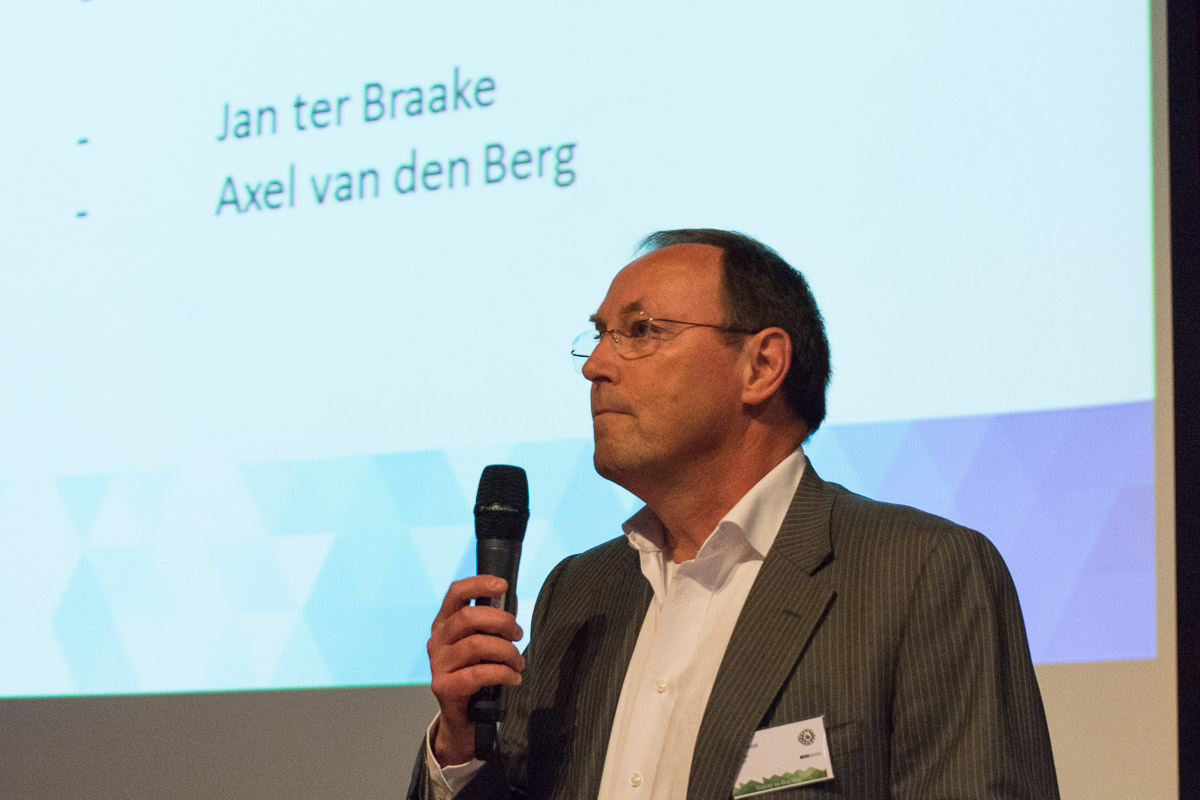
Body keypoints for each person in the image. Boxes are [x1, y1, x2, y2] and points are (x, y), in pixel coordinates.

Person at [410, 229, 1060, 799]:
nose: (597, 366)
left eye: (641, 331)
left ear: (762, 365)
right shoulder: (579, 594)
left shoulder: (920, 573)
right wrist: (462, 745)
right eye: (599, 335)